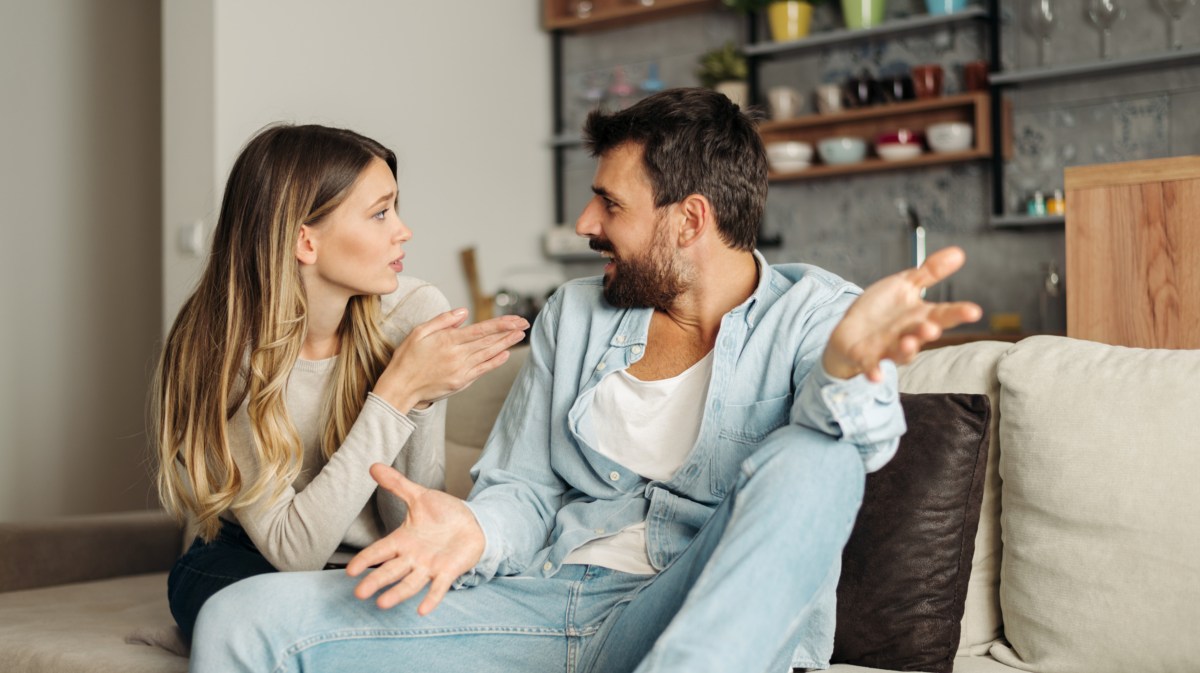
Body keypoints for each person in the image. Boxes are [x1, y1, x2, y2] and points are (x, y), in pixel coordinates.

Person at [189, 89, 981, 672]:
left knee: (819, 454)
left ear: (689, 220)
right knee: (236, 616)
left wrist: (845, 372)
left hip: (679, 615)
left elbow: (859, 449)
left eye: (609, 203)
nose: (585, 225)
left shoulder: (817, 316)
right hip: (534, 601)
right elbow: (523, 491)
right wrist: (474, 531)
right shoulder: (576, 313)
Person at [153, 124, 529, 641]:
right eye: (379, 213)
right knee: (249, 607)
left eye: (395, 208)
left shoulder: (414, 314)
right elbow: (293, 552)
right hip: (248, 559)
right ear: (305, 240)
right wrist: (395, 394)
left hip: (374, 558)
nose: (403, 230)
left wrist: (416, 397)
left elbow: (405, 520)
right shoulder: (223, 349)